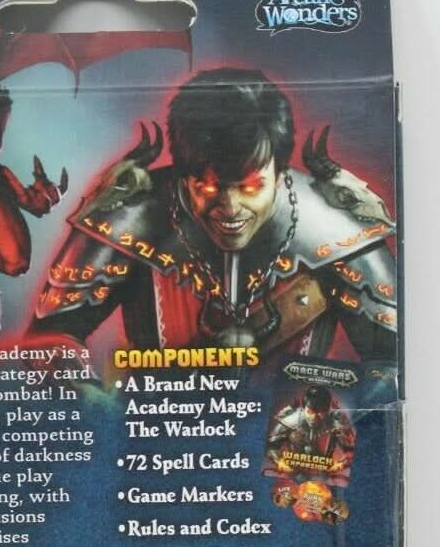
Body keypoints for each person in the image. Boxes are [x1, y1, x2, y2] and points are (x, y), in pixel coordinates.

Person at [33, 69, 397, 362]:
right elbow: (48, 342)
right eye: (207, 187)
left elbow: (391, 363)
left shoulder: (335, 225)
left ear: (279, 171)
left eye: (250, 187)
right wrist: (98, 405)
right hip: (156, 424)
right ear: (182, 173)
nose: (230, 207)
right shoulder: (130, 213)